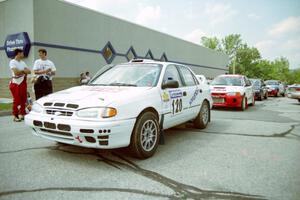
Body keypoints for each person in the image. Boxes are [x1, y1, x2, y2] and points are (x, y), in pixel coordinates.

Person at [9, 49, 31, 122]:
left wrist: (21, 71)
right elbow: (16, 73)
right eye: (22, 53)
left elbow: (29, 71)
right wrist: (24, 71)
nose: (23, 54)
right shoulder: (12, 62)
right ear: (18, 53)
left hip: (23, 82)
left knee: (23, 99)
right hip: (15, 83)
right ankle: (15, 116)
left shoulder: (23, 62)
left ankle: (22, 114)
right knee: (16, 100)